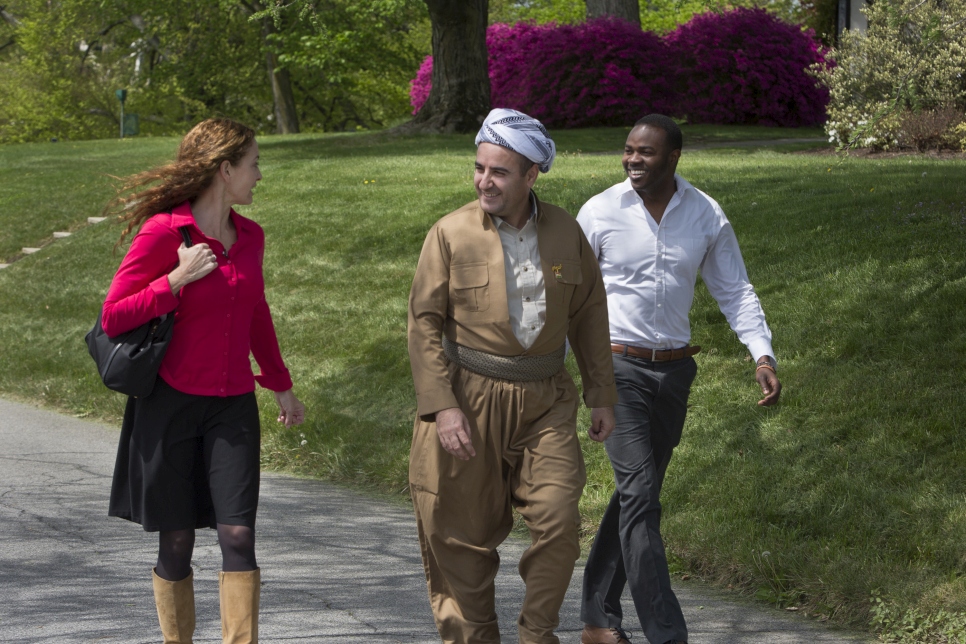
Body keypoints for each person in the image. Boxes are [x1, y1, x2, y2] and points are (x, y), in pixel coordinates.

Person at [407, 108, 618, 644]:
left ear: (531, 175)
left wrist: (601, 394)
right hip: (466, 397)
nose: (484, 181)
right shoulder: (449, 233)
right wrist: (442, 405)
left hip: (546, 398)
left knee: (558, 517)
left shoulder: (567, 231)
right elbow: (424, 322)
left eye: (499, 172)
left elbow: (590, 314)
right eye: (479, 168)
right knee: (459, 537)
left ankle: (536, 634)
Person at [576, 114, 782, 644]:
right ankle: (668, 634)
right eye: (628, 150)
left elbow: (734, 289)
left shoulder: (705, 213)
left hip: (674, 373)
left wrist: (762, 355)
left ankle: (597, 618)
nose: (633, 160)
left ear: (673, 158)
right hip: (617, 368)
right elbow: (569, 295)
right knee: (641, 494)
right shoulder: (600, 211)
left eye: (645, 152)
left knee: (634, 497)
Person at [101, 118, 305, 643]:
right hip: (168, 405)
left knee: (238, 535)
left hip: (232, 406)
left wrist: (278, 382)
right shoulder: (165, 233)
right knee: (176, 542)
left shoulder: (251, 236)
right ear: (225, 169)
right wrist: (175, 279)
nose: (259, 174)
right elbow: (114, 317)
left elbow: (256, 310)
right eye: (254, 164)